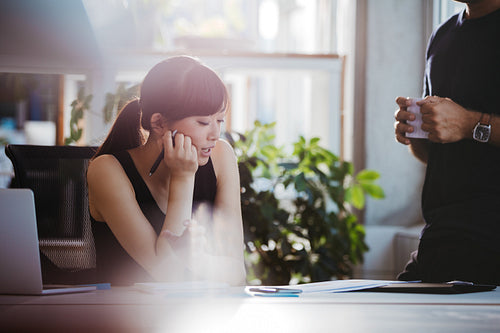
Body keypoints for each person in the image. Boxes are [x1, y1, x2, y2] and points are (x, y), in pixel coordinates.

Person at [87, 56, 246, 286]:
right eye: (202, 122)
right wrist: (183, 177)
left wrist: (198, 257)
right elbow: (169, 275)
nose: (215, 134)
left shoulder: (220, 156)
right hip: (123, 316)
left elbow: (237, 274)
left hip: (197, 317)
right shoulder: (106, 171)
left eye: (219, 120)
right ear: (159, 123)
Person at [394, 0, 500, 285]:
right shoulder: (442, 35)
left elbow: (464, 127)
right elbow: (441, 155)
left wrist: (469, 124)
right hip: (440, 240)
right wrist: (416, 129)